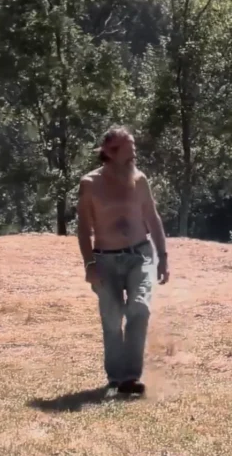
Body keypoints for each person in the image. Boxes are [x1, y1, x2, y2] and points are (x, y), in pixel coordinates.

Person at [76, 126, 170, 397]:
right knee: (112, 318)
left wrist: (163, 256)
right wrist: (89, 264)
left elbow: (153, 218)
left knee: (139, 309)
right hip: (105, 260)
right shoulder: (90, 184)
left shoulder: (139, 179)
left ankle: (131, 377)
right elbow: (83, 229)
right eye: (129, 149)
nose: (134, 153)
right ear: (111, 153)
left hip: (140, 255)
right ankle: (116, 378)